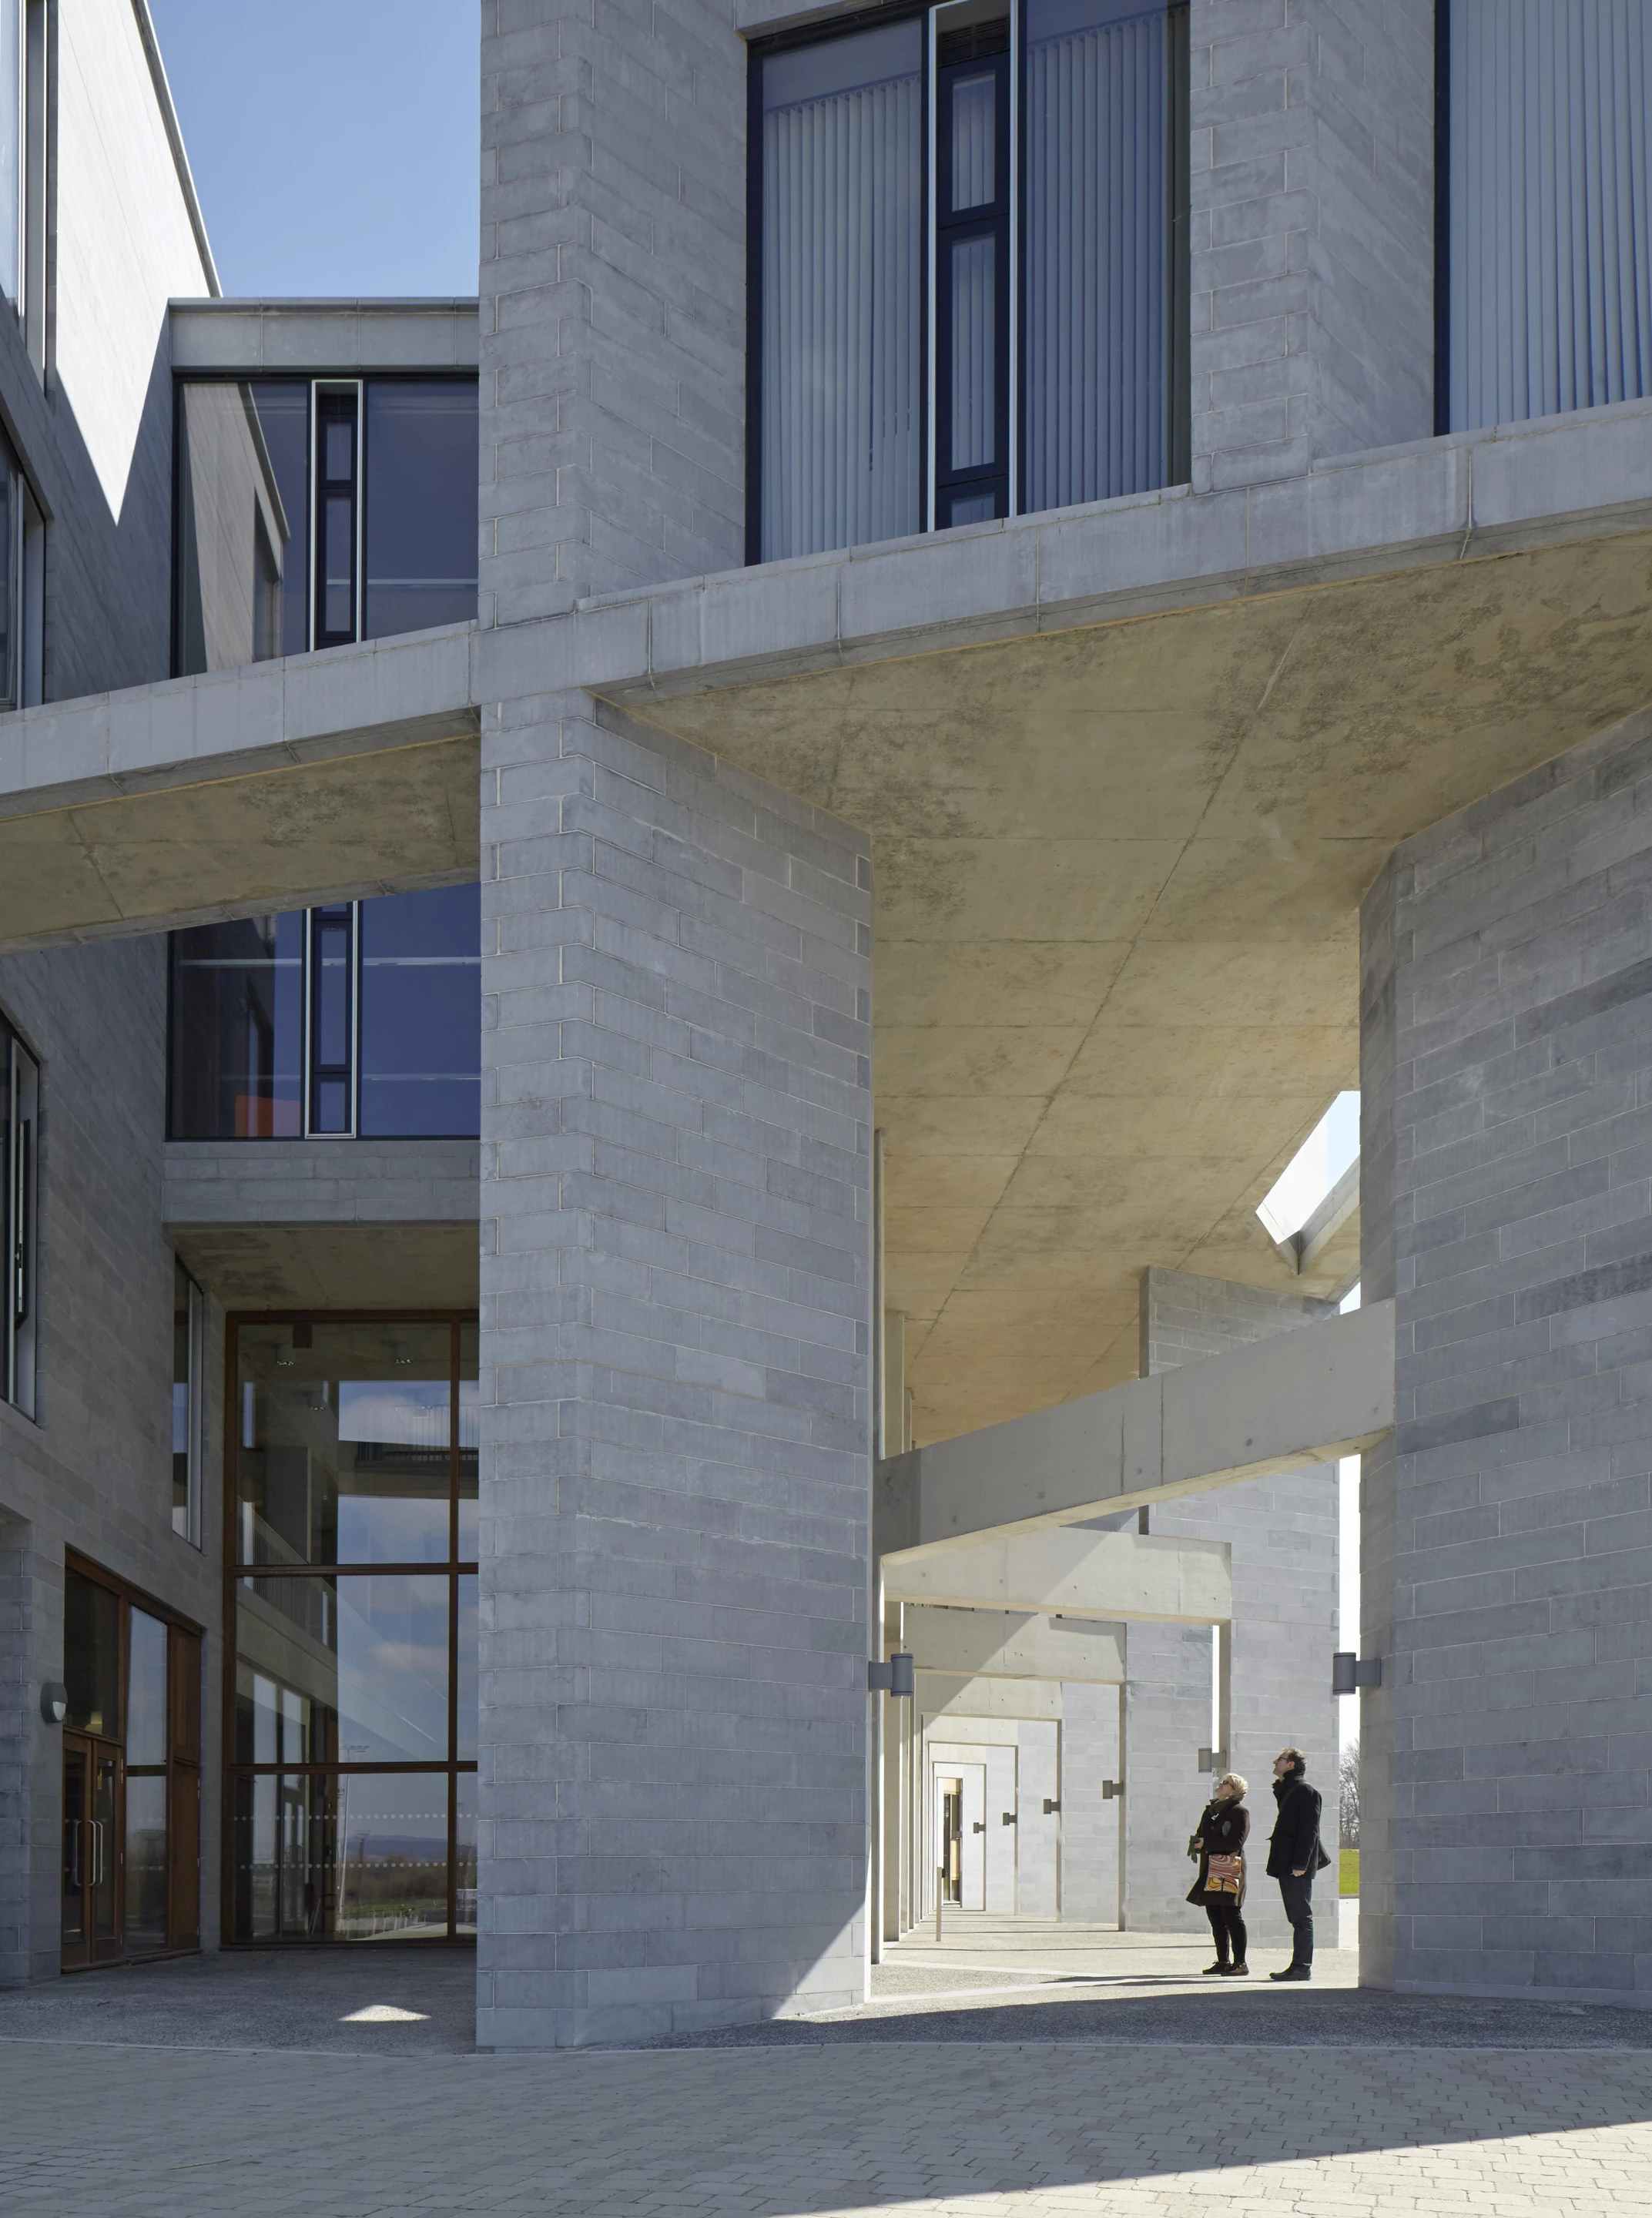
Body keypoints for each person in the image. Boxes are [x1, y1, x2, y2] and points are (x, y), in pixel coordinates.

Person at [1265, 1745, 1329, 1981]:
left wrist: (1301, 1864)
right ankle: (1298, 1966)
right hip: (1288, 1863)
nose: (1275, 1762)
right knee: (1296, 1917)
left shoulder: (1306, 1792)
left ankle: (1302, 1967)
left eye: (1280, 1759)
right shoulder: (1288, 1789)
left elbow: (1310, 1832)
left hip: (1296, 1866)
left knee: (1302, 1917)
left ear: (1291, 1765)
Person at [1186, 1771, 1250, 1976]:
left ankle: (1240, 1963)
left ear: (1234, 1790)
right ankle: (1223, 1961)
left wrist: (1207, 1843)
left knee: (1231, 1915)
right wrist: (1197, 1842)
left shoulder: (1239, 1812)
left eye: (1226, 1782)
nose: (1221, 1784)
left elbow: (1236, 1842)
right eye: (1222, 1781)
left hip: (1228, 1868)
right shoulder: (1211, 1811)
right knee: (1214, 1915)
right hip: (1211, 1867)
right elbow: (1202, 1834)